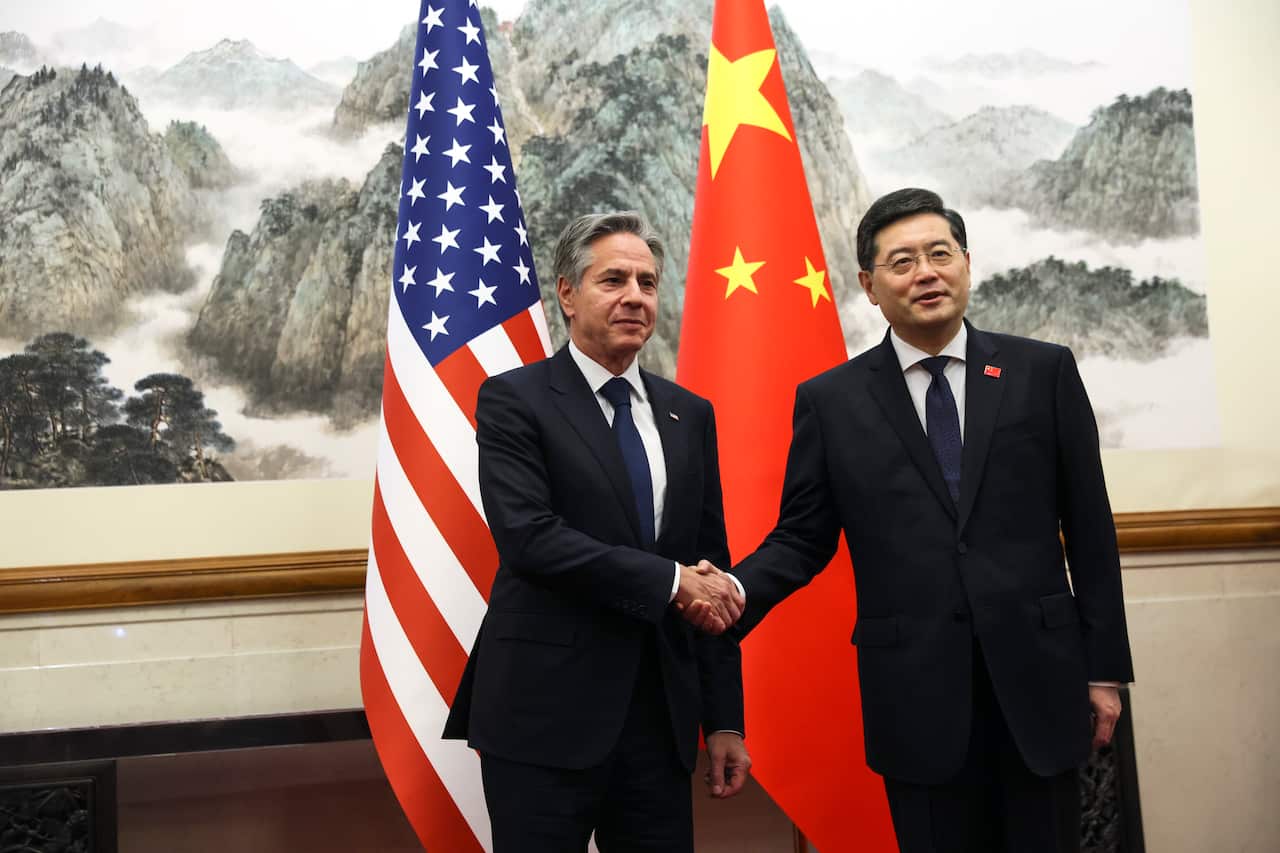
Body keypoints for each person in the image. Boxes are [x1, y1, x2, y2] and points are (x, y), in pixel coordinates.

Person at [730, 188, 1134, 852]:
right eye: (902, 261)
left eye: (940, 253)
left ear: (966, 263)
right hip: (915, 694)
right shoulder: (831, 402)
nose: (926, 273)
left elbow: (1090, 531)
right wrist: (732, 595)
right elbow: (802, 537)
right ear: (869, 284)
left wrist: (1105, 670)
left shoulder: (1042, 372)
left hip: (1041, 682)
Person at [443, 211, 751, 852]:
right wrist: (669, 582)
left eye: (648, 282)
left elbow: (710, 572)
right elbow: (529, 537)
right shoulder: (515, 399)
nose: (635, 296)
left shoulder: (689, 414)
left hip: (659, 724)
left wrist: (725, 719)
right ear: (566, 293)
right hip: (543, 715)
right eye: (613, 279)